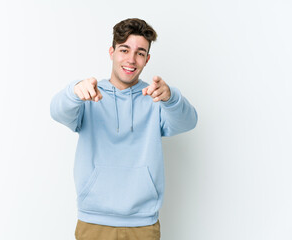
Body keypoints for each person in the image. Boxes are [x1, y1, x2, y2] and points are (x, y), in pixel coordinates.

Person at [50, 18, 198, 240]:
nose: (131, 59)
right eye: (124, 50)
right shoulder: (89, 94)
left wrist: (171, 98)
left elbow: (189, 122)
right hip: (94, 221)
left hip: (143, 223)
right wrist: (73, 92)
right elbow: (57, 111)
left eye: (139, 53)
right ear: (111, 52)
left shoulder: (155, 97)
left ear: (147, 59)